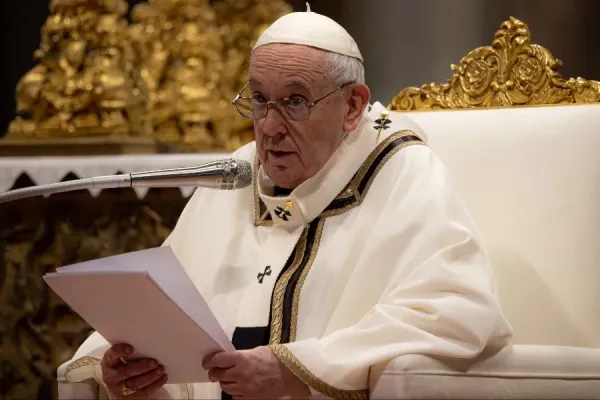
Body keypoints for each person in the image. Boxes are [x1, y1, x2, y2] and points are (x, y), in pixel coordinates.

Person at [61, 6, 513, 400]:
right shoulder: (236, 175)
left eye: (295, 101)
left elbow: (457, 310)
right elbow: (165, 314)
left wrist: (294, 372)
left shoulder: (402, 171)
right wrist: (133, 372)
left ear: (353, 106)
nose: (269, 128)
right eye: (259, 99)